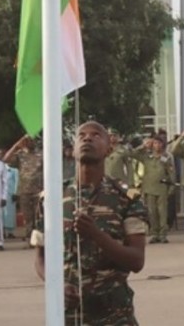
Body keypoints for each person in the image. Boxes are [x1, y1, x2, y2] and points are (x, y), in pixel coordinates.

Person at [32, 121, 148, 325]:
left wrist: (97, 235)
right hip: (68, 315)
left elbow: (136, 261)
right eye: (81, 135)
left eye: (96, 135)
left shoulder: (126, 199)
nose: (87, 138)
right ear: (73, 149)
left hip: (114, 314)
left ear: (108, 149)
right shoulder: (52, 197)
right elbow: (41, 257)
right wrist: (56, 285)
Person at [2, 135, 43, 245]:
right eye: (27, 141)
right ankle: (30, 240)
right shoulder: (20, 155)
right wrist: (16, 146)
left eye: (32, 140)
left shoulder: (41, 154)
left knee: (38, 217)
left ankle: (40, 241)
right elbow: (5, 160)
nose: (30, 142)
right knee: (28, 217)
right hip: (25, 191)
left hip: (39, 191)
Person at [134, 135, 175, 244]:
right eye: (155, 143)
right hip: (149, 189)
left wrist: (171, 188)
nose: (157, 145)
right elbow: (133, 154)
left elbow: (171, 173)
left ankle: (163, 235)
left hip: (162, 189)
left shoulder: (166, 158)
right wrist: (143, 146)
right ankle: (155, 234)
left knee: (162, 213)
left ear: (163, 145)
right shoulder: (147, 156)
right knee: (152, 213)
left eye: (159, 143)